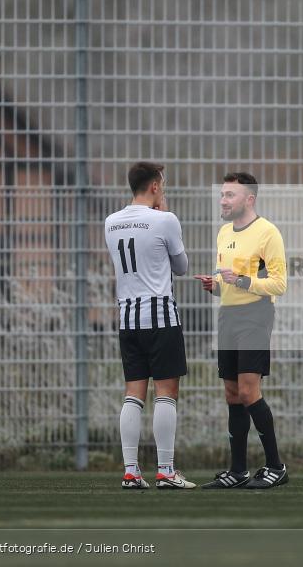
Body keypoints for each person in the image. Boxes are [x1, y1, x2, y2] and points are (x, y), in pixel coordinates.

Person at [194, 173, 289, 490]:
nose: (223, 200)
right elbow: (227, 283)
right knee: (232, 394)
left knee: (249, 392)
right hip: (228, 316)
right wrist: (215, 285)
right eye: (222, 194)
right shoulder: (223, 232)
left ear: (249, 199)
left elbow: (279, 284)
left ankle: (276, 467)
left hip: (256, 315)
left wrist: (243, 280)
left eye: (230, 195)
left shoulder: (268, 232)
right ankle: (237, 471)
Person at [104, 162, 195, 490]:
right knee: (166, 393)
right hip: (160, 317)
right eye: (162, 184)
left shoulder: (111, 222)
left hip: (127, 318)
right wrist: (165, 215)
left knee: (133, 394)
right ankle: (166, 471)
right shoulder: (165, 219)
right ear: (155, 186)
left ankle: (131, 471)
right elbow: (182, 267)